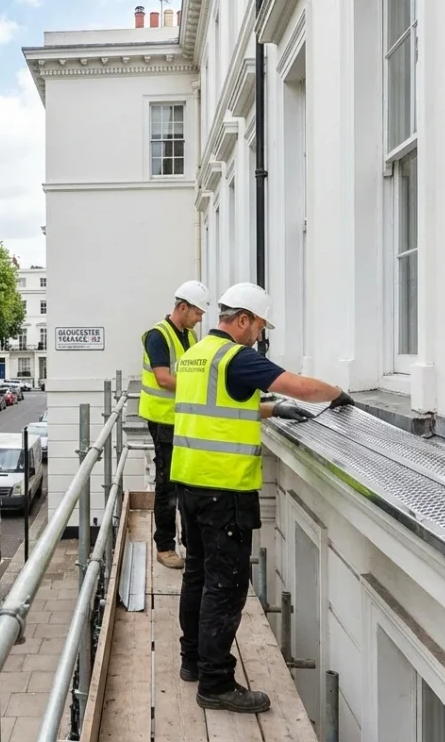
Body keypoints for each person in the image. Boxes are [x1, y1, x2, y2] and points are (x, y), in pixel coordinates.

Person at [171, 283, 354, 714]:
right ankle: (216, 684)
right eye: (258, 326)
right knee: (226, 586)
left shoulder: (195, 356)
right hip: (224, 492)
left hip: (190, 485)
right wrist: (338, 393)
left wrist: (270, 410)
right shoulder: (238, 357)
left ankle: (192, 662)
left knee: (197, 576)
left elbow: (219, 406)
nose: (258, 335)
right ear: (242, 320)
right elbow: (301, 387)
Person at [139, 280, 210, 569]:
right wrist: (202, 391)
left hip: (182, 420)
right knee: (167, 483)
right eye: (197, 312)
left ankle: (187, 541)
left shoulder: (189, 337)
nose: (200, 318)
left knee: (185, 481)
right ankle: (165, 546)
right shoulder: (158, 335)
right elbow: (164, 379)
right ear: (182, 307)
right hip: (163, 420)